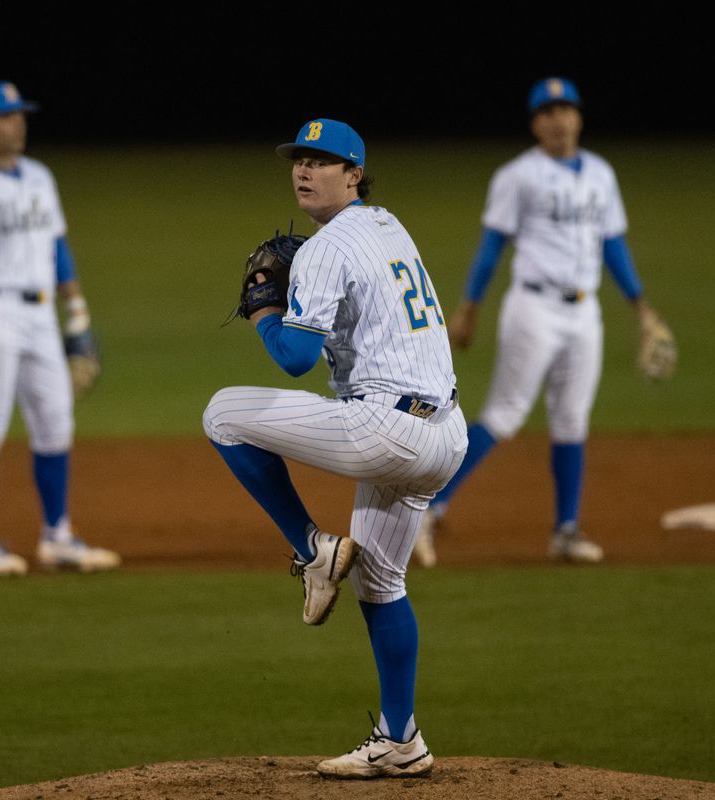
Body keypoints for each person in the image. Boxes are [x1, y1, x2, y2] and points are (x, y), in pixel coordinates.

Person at [203, 119, 467, 779]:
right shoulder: (386, 224)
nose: (304, 169)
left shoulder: (324, 250)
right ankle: (401, 741)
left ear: (354, 174)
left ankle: (311, 550)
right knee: (382, 583)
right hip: (447, 434)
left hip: (388, 431)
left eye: (322, 160)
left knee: (222, 415)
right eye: (299, 159)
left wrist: (266, 310)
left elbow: (295, 359)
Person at [413, 77, 670, 567]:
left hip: (584, 312)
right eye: (547, 111)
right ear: (535, 123)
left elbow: (612, 244)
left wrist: (640, 306)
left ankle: (566, 531)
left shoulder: (600, 174)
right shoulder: (518, 176)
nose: (558, 119)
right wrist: (469, 309)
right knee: (504, 414)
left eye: (565, 109)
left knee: (572, 421)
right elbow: (492, 248)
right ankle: (427, 504)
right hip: (533, 309)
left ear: (578, 116)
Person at [0, 81, 120, 576]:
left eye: (20, 114)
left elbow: (57, 247)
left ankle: (57, 535)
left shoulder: (39, 176)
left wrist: (75, 307)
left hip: (40, 315)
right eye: (6, 115)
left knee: (57, 421)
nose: (17, 122)